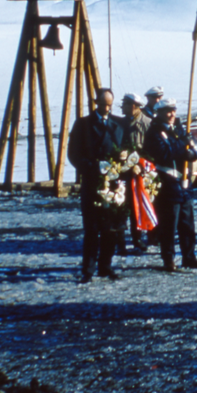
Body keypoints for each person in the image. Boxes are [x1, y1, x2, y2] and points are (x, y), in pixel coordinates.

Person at [143, 98, 197, 272]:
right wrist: (182, 146)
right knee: (169, 225)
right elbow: (165, 153)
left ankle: (189, 257)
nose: (171, 114)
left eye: (173, 110)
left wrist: (192, 153)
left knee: (187, 224)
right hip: (167, 183)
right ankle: (168, 259)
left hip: (184, 182)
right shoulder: (154, 133)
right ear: (159, 112)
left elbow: (192, 151)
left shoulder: (179, 129)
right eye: (167, 111)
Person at [67, 88, 125, 282]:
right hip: (92, 184)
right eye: (103, 104)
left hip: (113, 185)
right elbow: (73, 154)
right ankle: (88, 270)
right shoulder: (83, 124)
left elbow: (126, 149)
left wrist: (122, 163)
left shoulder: (118, 124)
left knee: (110, 229)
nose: (107, 108)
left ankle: (105, 267)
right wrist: (92, 166)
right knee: (92, 229)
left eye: (110, 104)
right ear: (96, 103)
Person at [118, 93, 152, 254]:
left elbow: (151, 151)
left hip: (139, 173)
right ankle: (120, 243)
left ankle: (138, 239)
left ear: (134, 106)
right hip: (121, 173)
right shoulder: (120, 123)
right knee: (120, 207)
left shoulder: (147, 124)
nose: (122, 107)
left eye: (125, 104)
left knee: (137, 206)